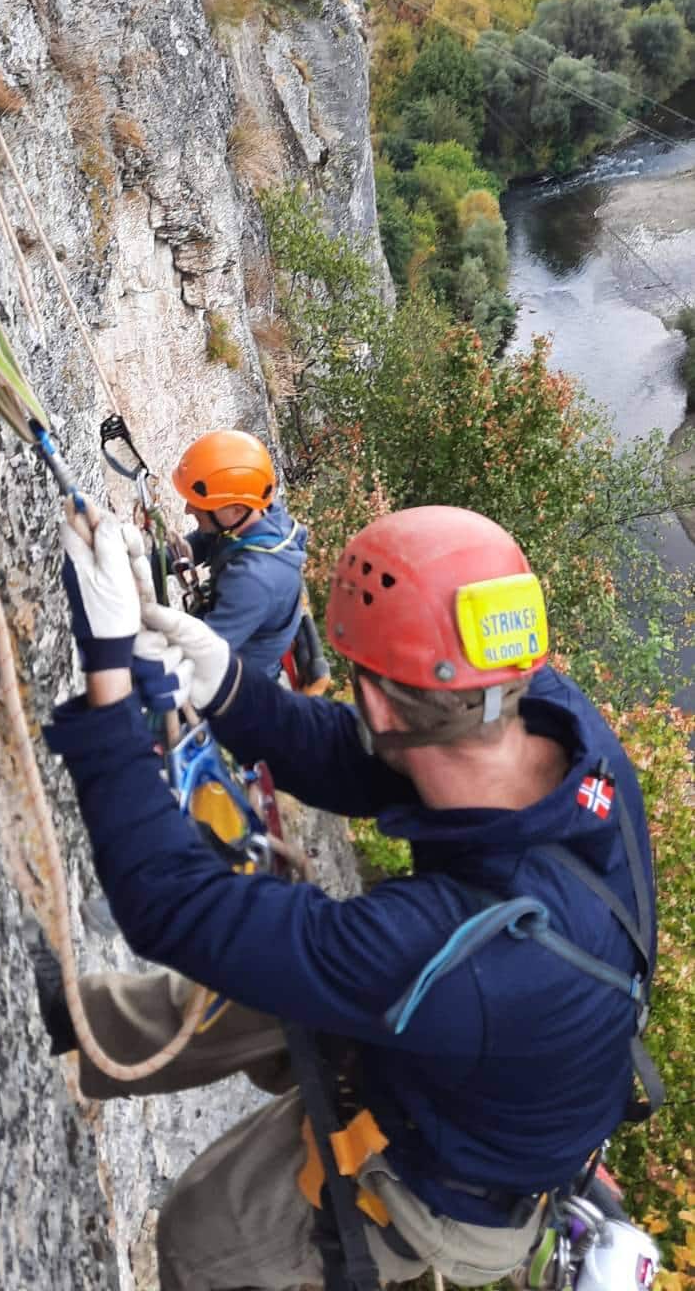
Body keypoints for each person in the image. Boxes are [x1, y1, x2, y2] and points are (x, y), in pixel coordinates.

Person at [42, 502, 658, 1291]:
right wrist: (227, 685)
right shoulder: (550, 722)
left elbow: (176, 908)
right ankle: (70, 1021)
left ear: (381, 703)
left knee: (204, 1233)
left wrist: (107, 677)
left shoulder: (470, 951)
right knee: (262, 980)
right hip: (478, 1052)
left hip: (447, 1180)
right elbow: (369, 756)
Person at [161, 428, 307, 679]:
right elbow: (202, 542)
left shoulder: (254, 579)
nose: (188, 509)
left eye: (200, 505)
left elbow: (201, 652)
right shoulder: (259, 513)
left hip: (240, 682)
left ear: (237, 510)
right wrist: (141, 562)